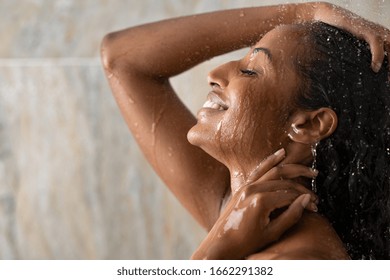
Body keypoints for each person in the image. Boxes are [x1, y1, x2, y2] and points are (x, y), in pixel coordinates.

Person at [100, 2, 390, 259]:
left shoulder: (301, 259)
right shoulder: (238, 209)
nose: (214, 75)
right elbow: (123, 59)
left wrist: (219, 247)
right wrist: (305, 12)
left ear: (309, 125)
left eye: (251, 71)